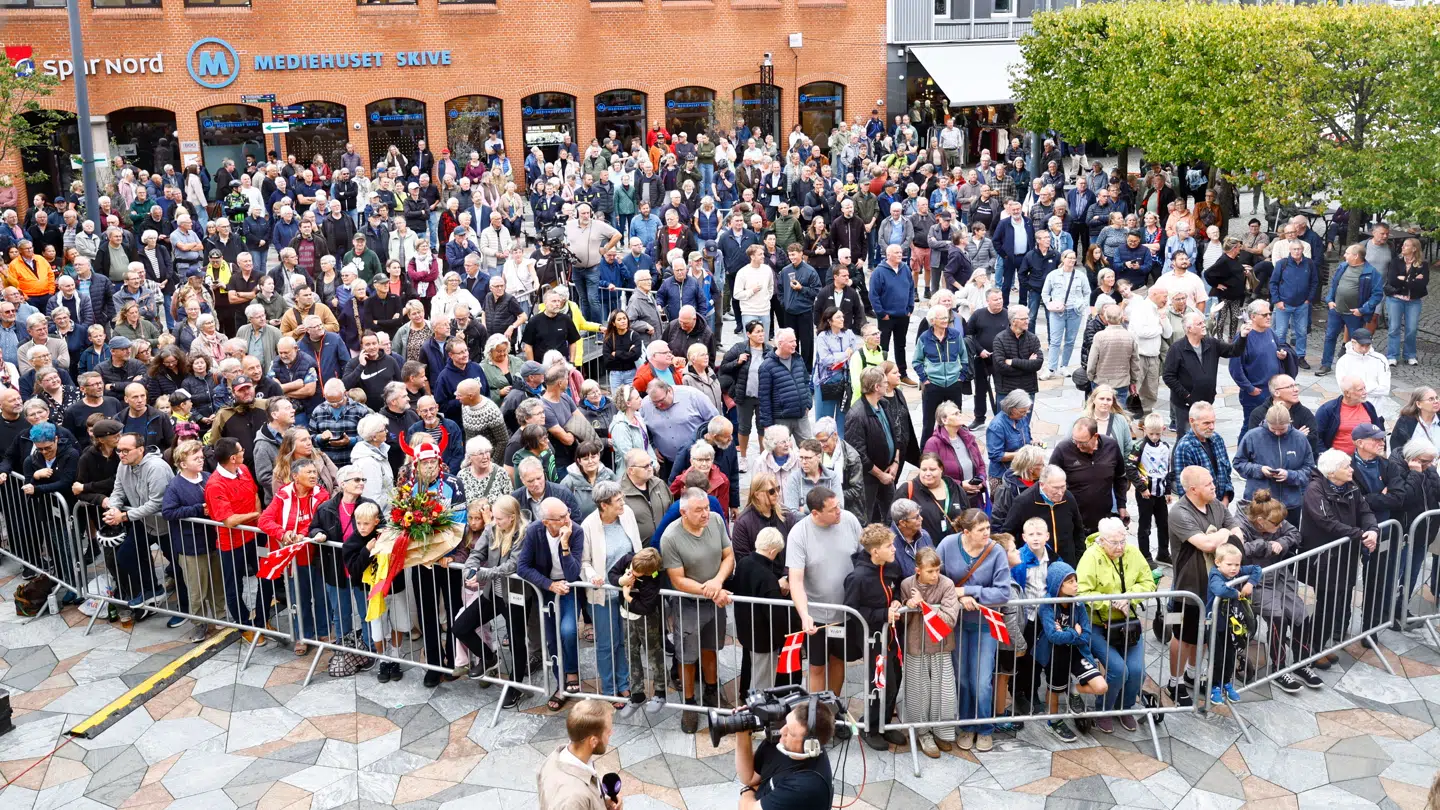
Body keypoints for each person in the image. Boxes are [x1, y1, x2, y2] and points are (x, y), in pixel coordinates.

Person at [935, 508, 1011, 753]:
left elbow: (1003, 592)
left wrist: (969, 592)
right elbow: (936, 581)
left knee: (982, 681)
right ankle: (967, 725)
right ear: (966, 532)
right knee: (962, 678)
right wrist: (958, 598)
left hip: (985, 624)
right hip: (956, 623)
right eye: (981, 530)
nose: (987, 533)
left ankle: (985, 728)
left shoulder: (996, 551)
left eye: (988, 528)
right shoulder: (947, 545)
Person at [660, 487, 735, 733]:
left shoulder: (716, 520)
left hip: (714, 600)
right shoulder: (671, 537)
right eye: (699, 510)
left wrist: (717, 583)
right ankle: (689, 704)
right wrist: (711, 590)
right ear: (683, 512)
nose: (706, 514)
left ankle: (712, 692)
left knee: (711, 649)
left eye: (707, 508)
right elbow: (678, 580)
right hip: (688, 605)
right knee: (686, 657)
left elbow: (728, 556)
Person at [1166, 466, 1242, 706]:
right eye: (1208, 484)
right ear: (1193, 489)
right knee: (1182, 637)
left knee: (1205, 635)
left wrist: (1223, 535)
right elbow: (1206, 544)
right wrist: (1224, 534)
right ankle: (1174, 682)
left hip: (1212, 589)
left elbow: (1238, 533)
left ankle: (1192, 674)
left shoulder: (1216, 505)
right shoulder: (1179, 512)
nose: (1214, 486)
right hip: (1186, 590)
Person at [1076, 518, 1155, 732]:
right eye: (1114, 542)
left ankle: (1124, 708)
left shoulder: (1133, 553)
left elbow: (1148, 582)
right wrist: (1110, 602)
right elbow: (1081, 592)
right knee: (1118, 670)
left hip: (1127, 623)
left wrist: (1129, 597)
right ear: (1102, 541)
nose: (1120, 547)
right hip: (1097, 624)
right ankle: (1104, 709)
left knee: (1137, 671)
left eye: (1123, 541)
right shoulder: (1090, 557)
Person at [843, 523, 907, 751]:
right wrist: (882, 614)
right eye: (889, 546)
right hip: (872, 640)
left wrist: (897, 599)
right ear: (875, 551)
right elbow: (851, 610)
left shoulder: (892, 566)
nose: (894, 549)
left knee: (895, 679)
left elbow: (896, 587)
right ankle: (870, 727)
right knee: (878, 683)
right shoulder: (858, 577)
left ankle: (884, 724)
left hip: (892, 637)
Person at [897, 545, 960, 757]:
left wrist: (923, 605)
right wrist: (907, 605)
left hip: (942, 645)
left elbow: (949, 619)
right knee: (918, 693)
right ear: (918, 570)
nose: (935, 575)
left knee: (945, 693)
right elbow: (903, 621)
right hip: (916, 646)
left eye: (937, 570)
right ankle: (923, 733)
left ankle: (942, 731)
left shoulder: (947, 584)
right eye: (930, 571)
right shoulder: (907, 584)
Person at [734, 698, 835, 810]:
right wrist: (742, 732)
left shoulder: (805, 785)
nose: (782, 731)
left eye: (791, 732)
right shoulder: (782, 742)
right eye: (786, 722)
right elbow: (749, 778)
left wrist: (746, 790)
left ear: (809, 746)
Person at [1162, 312, 1241, 437]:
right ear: (1189, 329)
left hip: (1206, 402)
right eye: (1199, 323)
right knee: (1186, 438)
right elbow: (1168, 376)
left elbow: (1233, 351)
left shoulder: (1212, 343)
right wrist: (1186, 395)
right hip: (1185, 405)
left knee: (1205, 436)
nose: (1204, 325)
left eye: (1203, 322)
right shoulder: (1177, 348)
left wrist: (1243, 336)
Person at [536, 699, 621, 810]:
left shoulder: (554, 759)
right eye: (608, 732)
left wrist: (602, 803)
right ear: (593, 741)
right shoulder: (574, 800)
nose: (611, 733)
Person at [1050, 417, 1128, 535]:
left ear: (1095, 436)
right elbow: (1049, 480)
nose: (1078, 446)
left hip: (1103, 521)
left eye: (1082, 442)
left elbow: (1120, 478)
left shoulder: (1111, 446)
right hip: (1072, 521)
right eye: (1075, 441)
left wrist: (1121, 505)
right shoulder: (1063, 449)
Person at [1207, 543, 1262, 705]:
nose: (1234, 568)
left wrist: (1250, 583)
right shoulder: (1215, 575)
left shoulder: (1237, 571)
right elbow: (1219, 589)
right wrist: (1237, 593)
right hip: (1215, 624)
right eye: (1229, 564)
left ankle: (1226, 682)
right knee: (1217, 657)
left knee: (1230, 655)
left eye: (1237, 564)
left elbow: (1257, 569)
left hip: (1232, 625)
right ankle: (1214, 686)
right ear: (1218, 562)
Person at [1234, 404, 1314, 512]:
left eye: (1282, 429)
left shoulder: (1300, 439)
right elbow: (1238, 463)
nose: (1277, 433)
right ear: (1266, 422)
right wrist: (1259, 470)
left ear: (1289, 422)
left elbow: (1309, 469)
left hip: (1290, 504)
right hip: (1260, 503)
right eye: (1273, 429)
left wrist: (1290, 475)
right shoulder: (1252, 436)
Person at [1318, 243, 1383, 376]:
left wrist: (1363, 310)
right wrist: (1329, 300)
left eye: (1347, 253)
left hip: (1354, 314)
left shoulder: (1371, 272)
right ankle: (1326, 364)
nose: (1344, 255)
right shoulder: (1343, 267)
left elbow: (1377, 294)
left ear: (1356, 256)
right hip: (1336, 311)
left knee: (1356, 341)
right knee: (1330, 337)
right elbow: (1334, 285)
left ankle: (1353, 368)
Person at [912, 304, 970, 444]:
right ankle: (925, 452)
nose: (945, 320)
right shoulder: (924, 338)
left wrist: (961, 377)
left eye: (946, 317)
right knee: (928, 423)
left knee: (955, 421)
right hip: (933, 385)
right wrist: (925, 380)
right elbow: (916, 361)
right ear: (933, 321)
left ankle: (956, 448)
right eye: (942, 318)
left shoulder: (955, 335)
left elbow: (964, 357)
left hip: (954, 384)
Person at [1126, 413, 1174, 567]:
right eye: (1151, 433)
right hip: (1145, 494)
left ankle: (1163, 553)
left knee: (1164, 524)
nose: (1154, 437)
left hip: (1160, 492)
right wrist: (1141, 488)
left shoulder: (1165, 447)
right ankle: (1145, 555)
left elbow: (1168, 470)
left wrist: (1168, 490)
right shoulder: (1139, 446)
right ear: (1144, 429)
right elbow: (1130, 468)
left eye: (1157, 434)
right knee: (1145, 526)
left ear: (1163, 430)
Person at [1039, 251, 1090, 380]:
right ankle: (1051, 368)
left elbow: (1087, 293)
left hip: (1074, 311)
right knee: (1055, 341)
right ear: (1063, 259)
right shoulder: (1053, 275)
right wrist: (1050, 304)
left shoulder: (1080, 276)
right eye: (1069, 258)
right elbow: (1045, 293)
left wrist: (1082, 305)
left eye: (1074, 258)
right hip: (1057, 312)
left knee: (1070, 340)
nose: (1072, 260)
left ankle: (1064, 365)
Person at [1384, 237, 1427, 366]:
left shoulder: (1423, 264)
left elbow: (1422, 284)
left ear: (1414, 249)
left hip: (1414, 301)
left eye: (1406, 245)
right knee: (1394, 328)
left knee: (1412, 329)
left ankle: (1410, 355)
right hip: (1395, 299)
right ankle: (1392, 355)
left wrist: (1404, 279)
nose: (1403, 247)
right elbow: (1392, 280)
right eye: (1403, 245)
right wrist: (1413, 279)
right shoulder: (1395, 261)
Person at [1316, 376, 1383, 454]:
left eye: (1364, 388)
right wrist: (1326, 456)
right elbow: (1316, 437)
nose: (1365, 392)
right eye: (1360, 390)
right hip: (1339, 459)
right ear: (1347, 393)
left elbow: (1377, 431)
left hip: (1365, 457)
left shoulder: (1368, 407)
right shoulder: (1327, 410)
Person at [991, 305, 1043, 399]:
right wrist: (1028, 366)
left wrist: (1012, 362)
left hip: (1028, 389)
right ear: (1013, 321)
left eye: (1027, 318)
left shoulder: (1033, 338)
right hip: (1006, 391)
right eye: (1023, 319)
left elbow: (1037, 364)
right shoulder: (1000, 339)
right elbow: (1000, 367)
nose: (1027, 321)